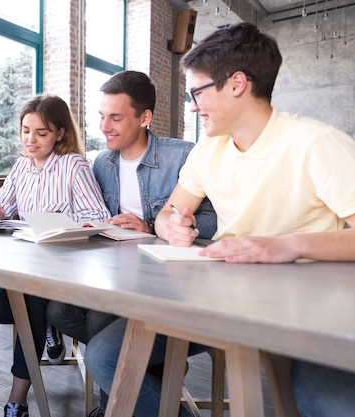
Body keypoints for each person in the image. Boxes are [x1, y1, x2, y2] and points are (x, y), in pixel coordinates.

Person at [87, 22, 355, 417]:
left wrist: (286, 244)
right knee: (105, 356)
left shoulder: (316, 144)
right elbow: (168, 213)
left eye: (197, 92)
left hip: (311, 311)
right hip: (222, 301)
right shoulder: (208, 151)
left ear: (237, 84)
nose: (193, 105)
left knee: (327, 403)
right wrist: (170, 226)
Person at [46, 70, 217, 417]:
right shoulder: (101, 162)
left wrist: (155, 225)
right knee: (58, 311)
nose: (104, 126)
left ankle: (113, 407)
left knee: (98, 324)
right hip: (116, 272)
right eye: (101, 116)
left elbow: (214, 219)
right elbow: (94, 214)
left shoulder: (182, 156)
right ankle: (150, 372)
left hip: (166, 280)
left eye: (116, 117)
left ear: (144, 118)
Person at [0, 93, 111, 417]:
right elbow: (4, 209)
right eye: (26, 130)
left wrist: (62, 225)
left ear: (60, 133)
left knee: (29, 304)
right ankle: (50, 330)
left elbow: (98, 217)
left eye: (41, 133)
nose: (31, 139)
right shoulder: (21, 167)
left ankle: (16, 402)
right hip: (28, 265)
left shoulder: (73, 166)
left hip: (64, 268)